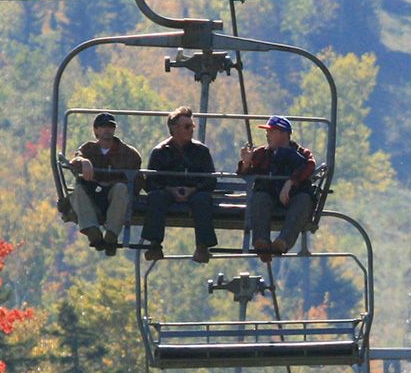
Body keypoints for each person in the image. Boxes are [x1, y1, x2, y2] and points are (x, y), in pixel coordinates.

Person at [140, 107, 218, 262]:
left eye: (192, 126)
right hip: (167, 192)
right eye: (187, 127)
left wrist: (194, 189)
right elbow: (150, 182)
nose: (191, 130)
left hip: (194, 192)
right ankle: (154, 245)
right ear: (174, 129)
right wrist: (169, 189)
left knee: (202, 199)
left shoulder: (201, 151)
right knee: (156, 197)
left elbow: (211, 180)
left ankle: (202, 246)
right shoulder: (160, 152)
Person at [237, 116, 318, 262]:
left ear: (284, 134)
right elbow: (245, 173)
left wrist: (290, 182)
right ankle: (261, 242)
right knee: (259, 197)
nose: (267, 135)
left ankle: (282, 242)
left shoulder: (302, 154)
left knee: (304, 200)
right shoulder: (262, 153)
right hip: (270, 197)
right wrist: (246, 163)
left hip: (293, 197)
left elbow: (310, 166)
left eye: (271, 132)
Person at [65, 112, 142, 255]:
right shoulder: (88, 149)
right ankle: (92, 230)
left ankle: (111, 234)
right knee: (78, 191)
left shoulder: (129, 153)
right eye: (102, 126)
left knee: (121, 189)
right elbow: (75, 161)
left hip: (114, 195)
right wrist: (84, 161)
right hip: (94, 193)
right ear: (95, 130)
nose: (107, 130)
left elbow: (137, 180)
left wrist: (128, 189)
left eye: (110, 127)